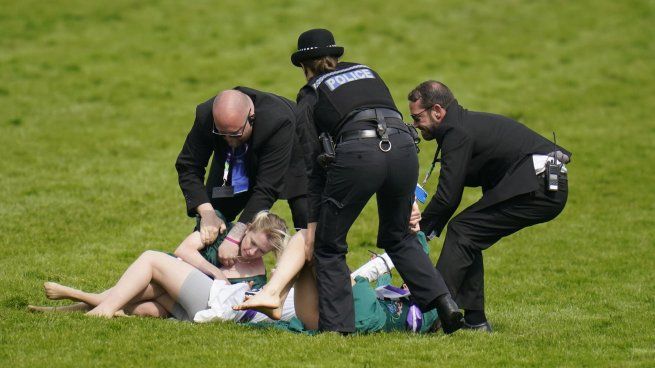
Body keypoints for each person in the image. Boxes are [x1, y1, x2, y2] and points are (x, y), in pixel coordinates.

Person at [290, 29, 463, 334]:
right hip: (404, 149)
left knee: (329, 247)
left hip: (358, 154)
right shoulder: (367, 71)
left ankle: (337, 329)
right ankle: (445, 304)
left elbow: (312, 163)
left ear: (305, 66)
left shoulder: (310, 92)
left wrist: (313, 222)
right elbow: (390, 118)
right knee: (399, 237)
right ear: (335, 56)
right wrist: (409, 197)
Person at [407, 80, 571, 331]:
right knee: (467, 232)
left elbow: (447, 197)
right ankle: (475, 320)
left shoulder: (457, 133)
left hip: (539, 186)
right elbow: (452, 194)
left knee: (463, 231)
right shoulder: (461, 126)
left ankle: (434, 312)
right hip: (542, 183)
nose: (416, 126)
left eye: (417, 118)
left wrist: (420, 230)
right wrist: (426, 230)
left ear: (437, 111)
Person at [31, 211, 289, 320]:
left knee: (144, 306)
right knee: (143, 307)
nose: (252, 251)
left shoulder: (258, 272)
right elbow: (182, 250)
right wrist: (215, 272)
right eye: (253, 242)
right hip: (167, 281)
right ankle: (67, 309)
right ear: (249, 227)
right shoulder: (221, 227)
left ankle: (78, 298)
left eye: (261, 251)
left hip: (188, 303)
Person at [175, 87, 308, 270]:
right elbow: (188, 166)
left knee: (307, 226)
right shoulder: (207, 115)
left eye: (235, 134)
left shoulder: (278, 120)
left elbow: (267, 188)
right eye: (223, 134)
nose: (229, 139)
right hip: (233, 163)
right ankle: (194, 279)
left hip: (295, 154)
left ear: (251, 117)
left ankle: (324, 283)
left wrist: (235, 236)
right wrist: (207, 213)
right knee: (214, 218)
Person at [234, 230, 441, 334]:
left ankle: (273, 293)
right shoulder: (401, 302)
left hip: (366, 311)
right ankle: (276, 300)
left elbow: (418, 252)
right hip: (330, 320)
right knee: (308, 249)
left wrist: (415, 227)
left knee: (311, 237)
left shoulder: (434, 305)